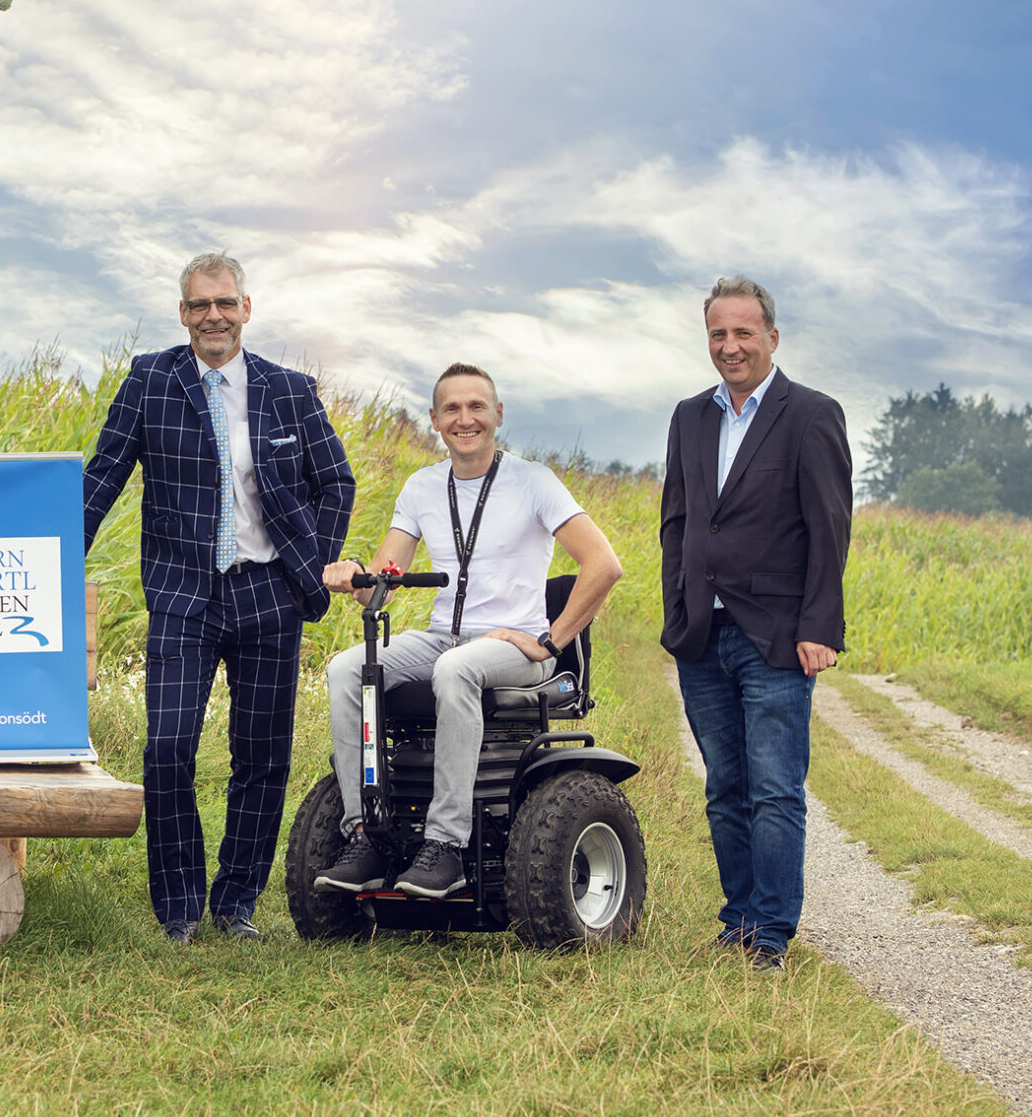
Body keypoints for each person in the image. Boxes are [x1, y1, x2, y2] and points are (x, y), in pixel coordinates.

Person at [83, 253, 357, 943]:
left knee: (262, 758)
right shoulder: (150, 380)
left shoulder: (290, 390)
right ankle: (179, 908)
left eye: (225, 303)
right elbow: (101, 479)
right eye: (200, 304)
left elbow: (337, 482)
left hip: (269, 593)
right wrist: (52, 563)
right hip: (182, 594)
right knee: (167, 748)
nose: (214, 316)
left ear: (245, 309)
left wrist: (312, 565)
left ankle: (237, 902)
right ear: (183, 313)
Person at [316, 364, 623, 900]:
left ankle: (446, 846)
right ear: (435, 419)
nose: (465, 419)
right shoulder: (422, 486)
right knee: (346, 669)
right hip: (444, 637)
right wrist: (353, 573)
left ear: (497, 414)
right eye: (452, 409)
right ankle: (364, 835)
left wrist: (551, 642)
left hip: (514, 645)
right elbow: (381, 582)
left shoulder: (533, 481)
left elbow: (604, 564)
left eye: (477, 406)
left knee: (454, 669)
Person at [660, 277, 852, 967]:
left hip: (775, 636)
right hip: (701, 635)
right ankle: (738, 917)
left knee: (774, 790)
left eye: (744, 332)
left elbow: (830, 527)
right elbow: (677, 522)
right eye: (719, 333)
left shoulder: (812, 414)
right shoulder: (690, 416)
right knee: (724, 788)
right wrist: (677, 611)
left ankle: (771, 932)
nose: (730, 345)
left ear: (772, 337)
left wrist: (819, 626)